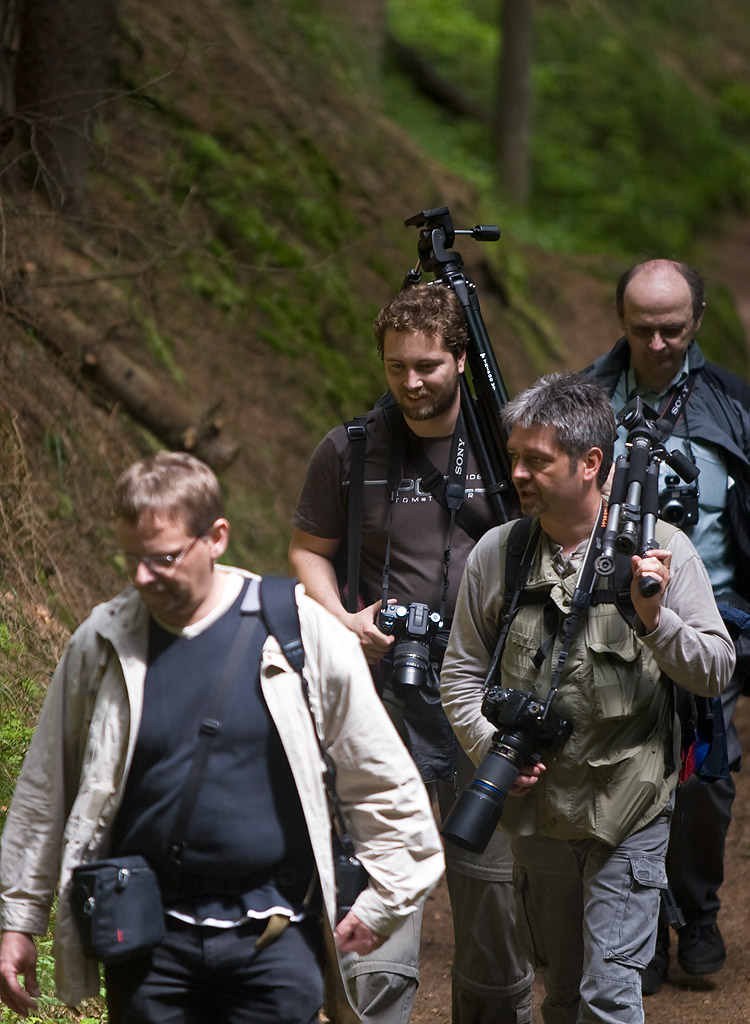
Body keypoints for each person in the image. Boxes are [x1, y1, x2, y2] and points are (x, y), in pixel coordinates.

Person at [0, 450, 444, 1024]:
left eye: (161, 558)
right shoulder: (103, 642)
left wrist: (384, 901)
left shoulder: (297, 631)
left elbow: (379, 778)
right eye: (130, 558)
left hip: (277, 939)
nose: (140, 577)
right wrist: (18, 921)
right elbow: (45, 790)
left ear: (216, 537)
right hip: (146, 939)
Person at [440, 372, 735, 1024]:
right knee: (564, 995)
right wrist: (491, 746)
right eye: (515, 456)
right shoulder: (501, 553)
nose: (517, 472)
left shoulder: (663, 552)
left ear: (590, 463)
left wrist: (655, 619)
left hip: (629, 809)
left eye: (536, 461)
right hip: (541, 816)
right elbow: (459, 673)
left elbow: (715, 670)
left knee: (608, 998)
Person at [289, 283, 533, 1024]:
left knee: (490, 900)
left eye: (427, 364)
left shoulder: (508, 451)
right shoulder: (350, 448)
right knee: (373, 888)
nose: (411, 380)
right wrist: (345, 620)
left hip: (481, 700)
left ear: (461, 359)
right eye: (397, 366)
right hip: (379, 697)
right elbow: (308, 551)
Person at [583, 258, 750, 993]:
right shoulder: (584, 402)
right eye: (643, 328)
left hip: (713, 626)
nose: (656, 343)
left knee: (705, 781)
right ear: (621, 321)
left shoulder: (734, 407)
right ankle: (639, 923)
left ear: (700, 321)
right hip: (606, 624)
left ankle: (699, 910)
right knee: (627, 772)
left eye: (672, 329)